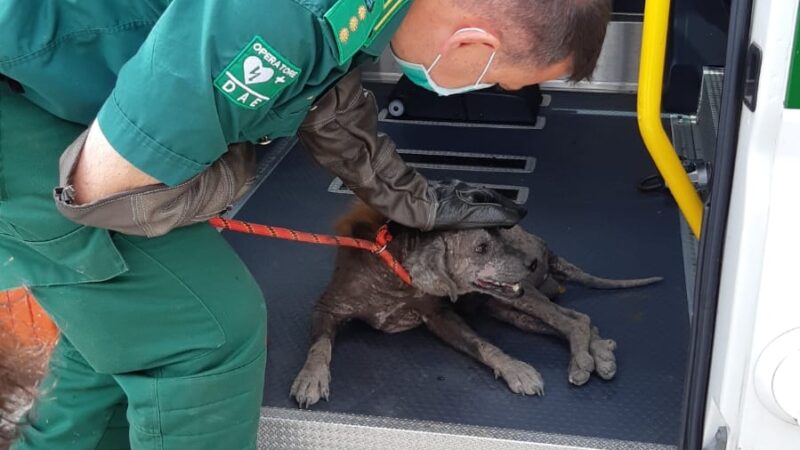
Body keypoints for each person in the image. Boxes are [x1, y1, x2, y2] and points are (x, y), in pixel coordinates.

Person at [0, 0, 612, 448]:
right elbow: (98, 190)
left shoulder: (373, 11)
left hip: (65, 87)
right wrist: (231, 163)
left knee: (128, 311)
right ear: (469, 44)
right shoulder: (278, 18)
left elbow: (324, 94)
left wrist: (418, 203)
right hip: (22, 107)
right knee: (207, 328)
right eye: (503, 81)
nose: (495, 90)